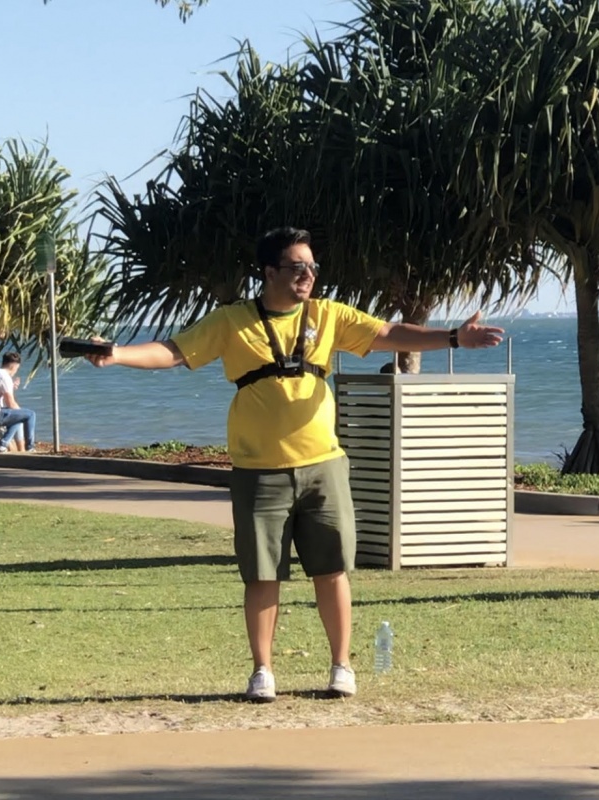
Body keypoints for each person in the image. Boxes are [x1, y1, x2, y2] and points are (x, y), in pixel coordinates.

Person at [86, 226, 503, 702]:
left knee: (332, 570)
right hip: (258, 471)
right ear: (269, 272)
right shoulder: (232, 321)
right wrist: (117, 354)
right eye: (297, 267)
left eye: (312, 267)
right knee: (262, 574)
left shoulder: (327, 315)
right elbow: (173, 352)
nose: (308, 275)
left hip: (324, 467)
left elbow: (388, 334)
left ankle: (341, 667)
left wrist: (453, 338)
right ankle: (262, 671)